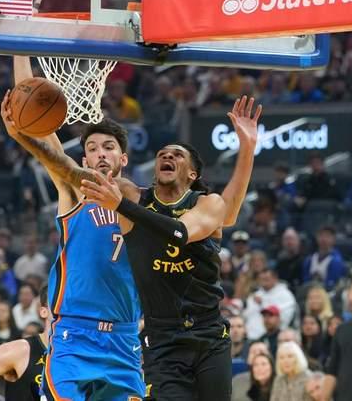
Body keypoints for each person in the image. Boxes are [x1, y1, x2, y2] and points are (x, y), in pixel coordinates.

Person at [79, 98, 261, 400]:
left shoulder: (208, 204)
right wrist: (31, 133)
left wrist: (247, 147)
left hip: (208, 334)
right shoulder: (133, 196)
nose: (167, 156)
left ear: (192, 174)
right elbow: (78, 173)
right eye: (162, 154)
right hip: (162, 340)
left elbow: (179, 233)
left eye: (177, 155)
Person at [0, 56, 144, 400]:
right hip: (74, 334)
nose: (101, 154)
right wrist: (19, 50)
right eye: (92, 149)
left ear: (124, 158)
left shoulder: (143, 203)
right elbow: (34, 119)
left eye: (109, 147)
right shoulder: (74, 191)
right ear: (83, 161)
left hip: (123, 338)